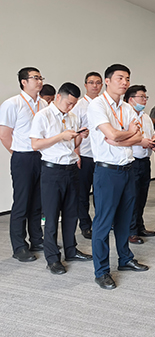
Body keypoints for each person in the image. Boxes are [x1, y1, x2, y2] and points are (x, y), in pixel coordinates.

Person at [87, 64, 148, 289]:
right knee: (103, 222)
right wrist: (127, 134)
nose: (124, 82)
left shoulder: (126, 107)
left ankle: (125, 258)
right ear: (107, 80)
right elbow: (111, 134)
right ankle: (101, 271)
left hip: (127, 169)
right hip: (107, 171)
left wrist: (122, 138)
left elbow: (139, 137)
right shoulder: (97, 105)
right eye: (120, 78)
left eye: (127, 79)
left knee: (125, 219)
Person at [30, 82, 93, 274]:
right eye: (68, 103)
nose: (70, 107)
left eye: (74, 104)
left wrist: (80, 136)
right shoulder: (43, 116)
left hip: (71, 169)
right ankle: (52, 258)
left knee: (71, 213)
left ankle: (71, 250)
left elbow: (72, 144)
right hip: (52, 171)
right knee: (51, 216)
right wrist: (60, 136)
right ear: (58, 97)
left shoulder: (72, 117)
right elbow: (35, 144)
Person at [0, 67, 48, 262]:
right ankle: (19, 246)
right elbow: (4, 135)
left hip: (41, 156)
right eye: (35, 78)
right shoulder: (12, 104)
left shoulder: (43, 103)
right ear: (23, 82)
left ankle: (37, 239)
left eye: (40, 77)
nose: (39, 81)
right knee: (21, 202)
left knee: (38, 202)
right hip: (22, 157)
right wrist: (18, 153)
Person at [71, 71, 103, 240]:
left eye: (98, 82)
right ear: (85, 85)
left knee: (100, 193)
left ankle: (101, 223)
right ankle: (85, 225)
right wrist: (76, 154)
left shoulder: (104, 104)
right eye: (91, 82)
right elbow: (74, 131)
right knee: (83, 194)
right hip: (84, 155)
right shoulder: (79, 106)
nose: (95, 86)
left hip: (101, 156)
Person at [125, 85, 155, 244]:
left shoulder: (145, 117)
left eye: (146, 97)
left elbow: (153, 133)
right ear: (131, 99)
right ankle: (131, 231)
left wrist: (154, 141)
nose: (144, 100)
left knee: (142, 196)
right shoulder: (126, 116)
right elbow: (123, 138)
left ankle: (139, 226)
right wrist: (141, 142)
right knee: (132, 197)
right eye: (141, 97)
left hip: (145, 160)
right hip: (132, 161)